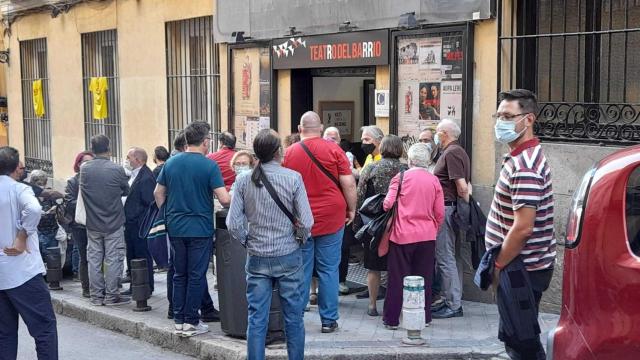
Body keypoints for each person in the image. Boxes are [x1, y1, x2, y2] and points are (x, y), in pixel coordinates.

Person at [227, 129, 313, 360]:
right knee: (294, 317)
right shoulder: (293, 178)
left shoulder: (244, 180)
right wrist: (299, 239)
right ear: (278, 152)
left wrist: (247, 241)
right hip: (288, 254)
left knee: (257, 317)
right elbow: (306, 221)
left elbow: (232, 223)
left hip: (257, 255)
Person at [486, 89, 555, 358]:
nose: (500, 122)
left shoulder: (525, 166)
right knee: (518, 336)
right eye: (498, 115)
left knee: (521, 341)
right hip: (519, 266)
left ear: (528, 119)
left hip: (520, 268)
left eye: (507, 116)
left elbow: (524, 227)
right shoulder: (518, 157)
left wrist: (499, 264)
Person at [155, 121, 231, 337]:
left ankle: (179, 319)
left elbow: (158, 193)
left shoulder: (171, 163)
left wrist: (168, 212)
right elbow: (224, 199)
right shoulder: (209, 165)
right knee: (197, 275)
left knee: (179, 273)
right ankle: (191, 321)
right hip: (200, 228)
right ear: (205, 141)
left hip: (176, 227)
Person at [283, 111, 357, 333]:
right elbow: (349, 183)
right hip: (332, 215)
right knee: (328, 269)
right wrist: (351, 208)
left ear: (299, 128)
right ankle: (328, 320)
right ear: (321, 126)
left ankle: (296, 316)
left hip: (300, 218)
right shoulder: (335, 149)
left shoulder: (289, 152)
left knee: (301, 268)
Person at [0, 146, 58, 360]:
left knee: (4, 334)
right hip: (21, 269)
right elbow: (34, 209)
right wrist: (23, 235)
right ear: (17, 168)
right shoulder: (18, 189)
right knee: (44, 328)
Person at [381, 143, 444, 329]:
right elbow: (439, 212)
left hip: (401, 235)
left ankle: (391, 319)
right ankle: (423, 317)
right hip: (426, 236)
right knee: (424, 277)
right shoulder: (434, 180)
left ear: (409, 160)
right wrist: (434, 229)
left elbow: (387, 204)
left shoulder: (400, 178)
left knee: (397, 278)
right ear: (428, 161)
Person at [354, 135, 408, 316]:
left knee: (373, 266)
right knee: (396, 266)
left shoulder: (371, 168)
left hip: (374, 223)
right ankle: (396, 305)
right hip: (399, 221)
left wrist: (356, 224)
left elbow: (360, 197)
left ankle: (372, 305)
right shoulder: (405, 169)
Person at [80, 135, 130, 306]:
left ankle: (96, 296)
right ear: (109, 148)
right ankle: (111, 295)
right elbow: (126, 190)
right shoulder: (116, 169)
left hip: (92, 221)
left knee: (94, 260)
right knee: (113, 259)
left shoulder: (85, 169)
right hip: (114, 220)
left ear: (92, 149)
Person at [431, 119, 471, 319]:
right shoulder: (456, 151)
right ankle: (451, 299)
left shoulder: (452, 152)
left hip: (447, 208)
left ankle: (453, 304)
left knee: (445, 256)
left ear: (445, 133)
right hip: (450, 208)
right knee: (451, 256)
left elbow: (462, 187)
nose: (436, 135)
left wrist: (461, 208)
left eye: (437, 132)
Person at [123, 147, 156, 294]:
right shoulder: (133, 175)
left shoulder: (146, 177)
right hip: (131, 223)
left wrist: (137, 216)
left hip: (139, 224)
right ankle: (135, 285)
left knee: (141, 255)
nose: (127, 160)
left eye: (129, 157)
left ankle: (145, 286)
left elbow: (149, 202)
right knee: (132, 254)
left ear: (138, 159)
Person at [64, 150, 95, 298]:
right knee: (84, 256)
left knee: (98, 256)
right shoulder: (73, 181)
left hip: (96, 222)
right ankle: (86, 287)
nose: (87, 165)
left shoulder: (96, 180)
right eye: (84, 162)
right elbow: (69, 203)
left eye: (90, 162)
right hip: (79, 225)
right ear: (78, 164)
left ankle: (100, 285)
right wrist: (86, 203)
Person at [29, 170, 60, 263]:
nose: (41, 186)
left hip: (52, 230)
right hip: (37, 231)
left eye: (43, 183)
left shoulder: (50, 194)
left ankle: (52, 275)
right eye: (38, 183)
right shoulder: (30, 196)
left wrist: (55, 208)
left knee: (52, 257)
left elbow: (57, 205)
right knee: (39, 257)